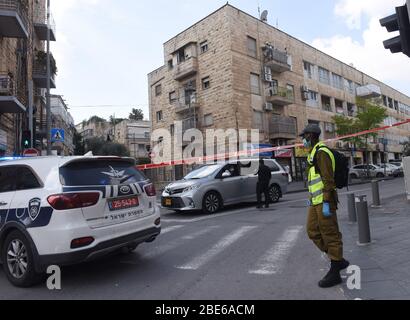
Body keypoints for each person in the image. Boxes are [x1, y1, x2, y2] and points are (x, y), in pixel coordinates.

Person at [300, 124, 350, 288]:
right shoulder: (313, 152)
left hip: (325, 201)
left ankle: (335, 270)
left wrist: (328, 203)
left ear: (312, 136)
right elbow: (314, 181)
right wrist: (311, 198)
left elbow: (328, 180)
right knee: (312, 231)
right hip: (315, 201)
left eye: (305, 136)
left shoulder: (321, 153)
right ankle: (338, 259)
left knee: (330, 233)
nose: (303, 139)